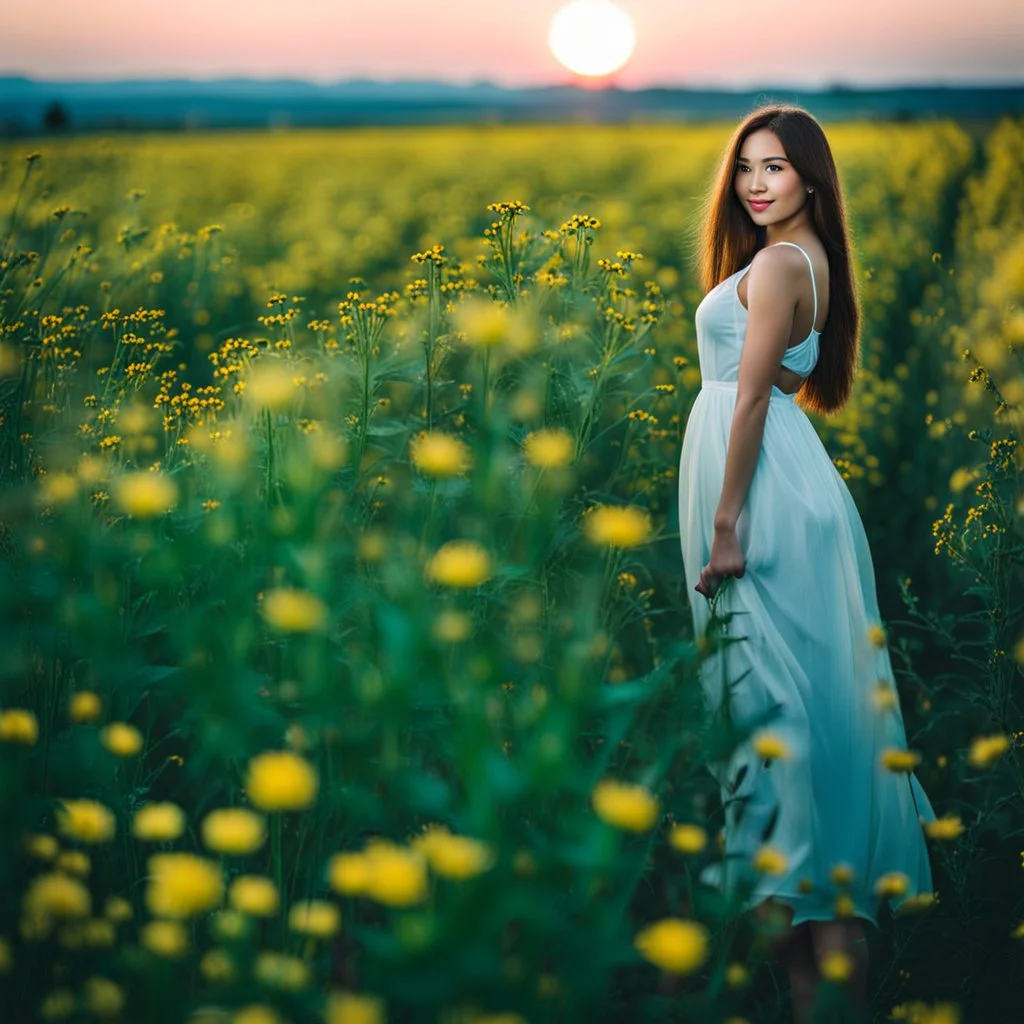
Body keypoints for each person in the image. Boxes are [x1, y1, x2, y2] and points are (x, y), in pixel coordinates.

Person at [677, 104, 937, 1022]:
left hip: (762, 502)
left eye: (776, 167)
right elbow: (786, 379)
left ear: (811, 179)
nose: (755, 182)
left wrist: (724, 522)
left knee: (780, 719)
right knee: (807, 723)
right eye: (746, 165)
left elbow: (749, 401)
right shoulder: (805, 264)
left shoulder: (783, 262)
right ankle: (820, 987)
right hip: (789, 486)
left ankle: (819, 973)